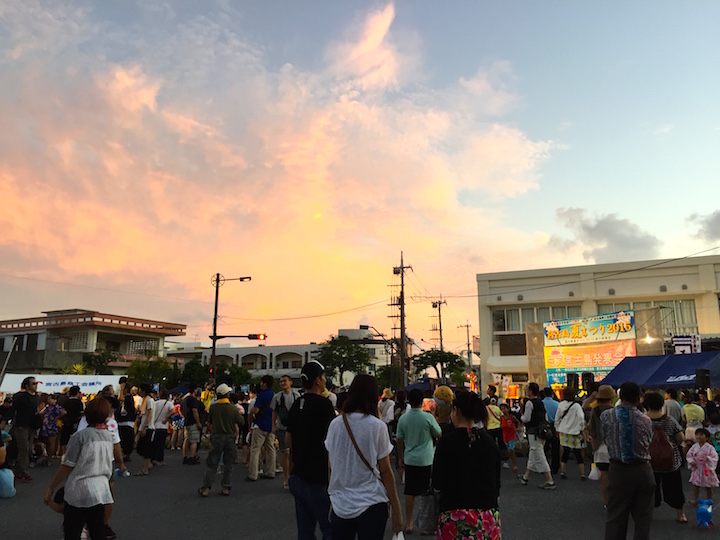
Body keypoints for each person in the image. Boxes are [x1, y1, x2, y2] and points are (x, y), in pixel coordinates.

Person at [325, 374, 403, 539]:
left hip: (341, 505)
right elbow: (386, 471)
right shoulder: (377, 427)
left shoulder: (335, 424)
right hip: (372, 502)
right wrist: (396, 509)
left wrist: (333, 498)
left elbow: (332, 466)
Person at [44, 397, 115, 540]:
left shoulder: (80, 436)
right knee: (97, 530)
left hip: (79, 489)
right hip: (100, 489)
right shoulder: (108, 436)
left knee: (73, 531)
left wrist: (51, 487)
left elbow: (67, 466)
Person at [433, 390, 501, 539]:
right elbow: (496, 483)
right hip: (487, 516)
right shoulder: (489, 442)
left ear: (455, 411)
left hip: (454, 514)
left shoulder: (447, 442)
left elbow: (437, 480)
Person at [286, 360, 336, 540]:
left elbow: (288, 439)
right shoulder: (324, 405)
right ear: (317, 380)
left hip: (298, 474)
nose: (325, 381)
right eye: (323, 377)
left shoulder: (296, 404)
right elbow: (332, 442)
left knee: (305, 530)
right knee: (330, 528)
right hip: (318, 477)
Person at [601, 381, 655, 540]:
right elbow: (648, 442)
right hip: (642, 470)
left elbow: (606, 438)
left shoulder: (606, 415)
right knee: (643, 519)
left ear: (620, 396)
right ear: (639, 398)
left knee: (615, 517)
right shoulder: (645, 419)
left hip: (618, 470)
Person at [396, 388, 441, 534]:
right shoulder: (427, 417)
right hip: (426, 459)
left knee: (410, 491)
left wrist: (401, 457)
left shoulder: (403, 418)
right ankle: (425, 525)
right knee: (427, 493)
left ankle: (409, 523)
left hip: (410, 458)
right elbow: (439, 433)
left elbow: (399, 439)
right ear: (422, 401)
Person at [643, 391, 687, 524]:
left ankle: (647, 514)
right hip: (671, 461)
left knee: (648, 489)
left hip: (648, 461)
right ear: (662, 404)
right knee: (675, 488)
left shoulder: (642, 421)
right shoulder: (670, 420)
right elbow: (680, 439)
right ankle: (681, 514)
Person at [198, 383, 243, 497]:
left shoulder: (213, 407)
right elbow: (241, 422)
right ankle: (226, 487)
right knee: (229, 463)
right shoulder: (233, 408)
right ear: (227, 394)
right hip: (229, 437)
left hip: (217, 436)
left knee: (212, 462)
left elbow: (210, 421)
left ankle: (206, 488)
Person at [518, 382, 556, 489]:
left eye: (527, 389)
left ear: (530, 391)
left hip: (533, 431)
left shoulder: (530, 403)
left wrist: (521, 416)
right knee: (534, 452)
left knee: (538, 453)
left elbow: (526, 418)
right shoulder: (540, 402)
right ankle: (526, 476)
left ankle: (550, 480)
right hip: (541, 431)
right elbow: (546, 417)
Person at [586, 385, 615, 506]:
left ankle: (607, 503)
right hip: (614, 449)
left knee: (604, 477)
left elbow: (591, 431)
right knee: (616, 477)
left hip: (600, 448)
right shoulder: (614, 411)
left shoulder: (595, 410)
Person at [271, 374, 300, 490]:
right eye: (281, 381)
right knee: (285, 452)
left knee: (293, 453)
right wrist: (273, 425)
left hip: (295, 427)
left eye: (285, 381)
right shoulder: (277, 397)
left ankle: (292, 475)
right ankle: (286, 478)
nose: (283, 383)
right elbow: (274, 413)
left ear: (290, 382)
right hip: (282, 427)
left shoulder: (296, 395)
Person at [10, 376, 41, 482]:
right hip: (21, 425)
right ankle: (21, 471)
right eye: (33, 383)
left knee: (28, 449)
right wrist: (4, 422)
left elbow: (36, 409)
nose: (36, 385)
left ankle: (21, 469)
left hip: (31, 426)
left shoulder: (36, 397)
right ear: (27, 386)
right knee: (24, 447)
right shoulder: (20, 397)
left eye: (36, 383)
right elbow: (12, 410)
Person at [247, 375, 276, 481]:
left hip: (260, 424)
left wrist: (251, 414)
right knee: (271, 449)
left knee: (255, 449)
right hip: (270, 424)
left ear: (264, 383)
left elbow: (256, 410)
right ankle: (271, 471)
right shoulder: (274, 395)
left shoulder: (261, 395)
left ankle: (253, 474)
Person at [555, 387, 587, 480]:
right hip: (575, 432)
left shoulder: (561, 405)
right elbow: (581, 417)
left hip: (564, 431)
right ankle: (582, 474)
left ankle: (563, 472)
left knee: (565, 452)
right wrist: (581, 428)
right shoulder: (576, 406)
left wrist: (557, 429)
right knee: (578, 453)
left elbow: (557, 418)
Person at [686, 427, 719, 503]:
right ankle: (696, 499)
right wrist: (692, 461)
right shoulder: (694, 446)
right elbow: (689, 455)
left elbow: (715, 457)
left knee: (708, 486)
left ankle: (709, 500)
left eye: (701, 434)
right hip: (697, 467)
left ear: (706, 437)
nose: (699, 436)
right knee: (696, 485)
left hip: (706, 469)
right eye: (697, 434)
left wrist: (708, 459)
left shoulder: (710, 448)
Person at [134, 383, 155, 476]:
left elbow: (150, 414)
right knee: (140, 448)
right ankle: (148, 464)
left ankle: (145, 468)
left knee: (145, 449)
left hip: (148, 427)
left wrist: (145, 427)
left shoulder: (149, 400)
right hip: (144, 426)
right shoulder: (144, 400)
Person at [59, 386, 84, 457]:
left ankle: (64, 454)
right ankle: (73, 455)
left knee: (64, 439)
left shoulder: (66, 402)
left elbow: (63, 411)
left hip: (66, 422)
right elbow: (81, 413)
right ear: (77, 393)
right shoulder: (79, 403)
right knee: (75, 439)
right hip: (76, 423)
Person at [152, 389, 174, 467]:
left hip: (155, 425)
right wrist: (166, 418)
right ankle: (159, 459)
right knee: (161, 444)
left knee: (155, 443)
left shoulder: (155, 403)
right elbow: (173, 411)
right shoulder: (168, 403)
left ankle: (153, 459)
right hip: (163, 426)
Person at [182, 385, 203, 465]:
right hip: (193, 422)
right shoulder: (193, 400)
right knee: (194, 440)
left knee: (186, 439)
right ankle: (192, 457)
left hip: (186, 422)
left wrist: (184, 416)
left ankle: (185, 457)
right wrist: (198, 422)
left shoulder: (185, 399)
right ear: (195, 390)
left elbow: (181, 409)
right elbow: (194, 411)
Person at [40, 393, 66, 460]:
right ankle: (47, 456)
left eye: (50, 399)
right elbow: (41, 413)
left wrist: (57, 417)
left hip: (52, 427)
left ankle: (49, 458)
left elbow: (63, 412)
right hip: (46, 427)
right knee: (47, 443)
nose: (49, 400)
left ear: (54, 400)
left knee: (52, 443)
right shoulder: (47, 407)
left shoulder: (56, 407)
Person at [542, 387, 561, 474]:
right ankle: (555, 467)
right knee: (555, 448)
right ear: (552, 394)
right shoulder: (557, 404)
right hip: (554, 426)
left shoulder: (541, 403)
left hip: (544, 426)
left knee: (543, 447)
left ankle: (543, 466)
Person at [500, 402, 520, 472]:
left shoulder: (512, 417)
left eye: (504, 408)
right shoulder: (501, 418)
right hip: (505, 436)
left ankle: (514, 464)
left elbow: (518, 422)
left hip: (511, 435)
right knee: (507, 450)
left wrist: (518, 428)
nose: (503, 410)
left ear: (508, 409)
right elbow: (500, 425)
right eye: (501, 409)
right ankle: (507, 462)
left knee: (511, 449)